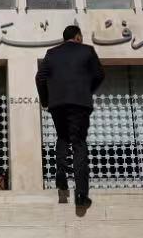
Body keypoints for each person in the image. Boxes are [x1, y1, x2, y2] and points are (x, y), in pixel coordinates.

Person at [35, 25, 104, 208]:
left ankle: (61, 173)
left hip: (57, 104)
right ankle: (81, 194)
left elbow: (40, 77)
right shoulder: (87, 51)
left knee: (63, 137)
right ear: (78, 37)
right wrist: (86, 90)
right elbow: (99, 75)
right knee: (78, 144)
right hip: (79, 104)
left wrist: (46, 100)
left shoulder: (51, 53)